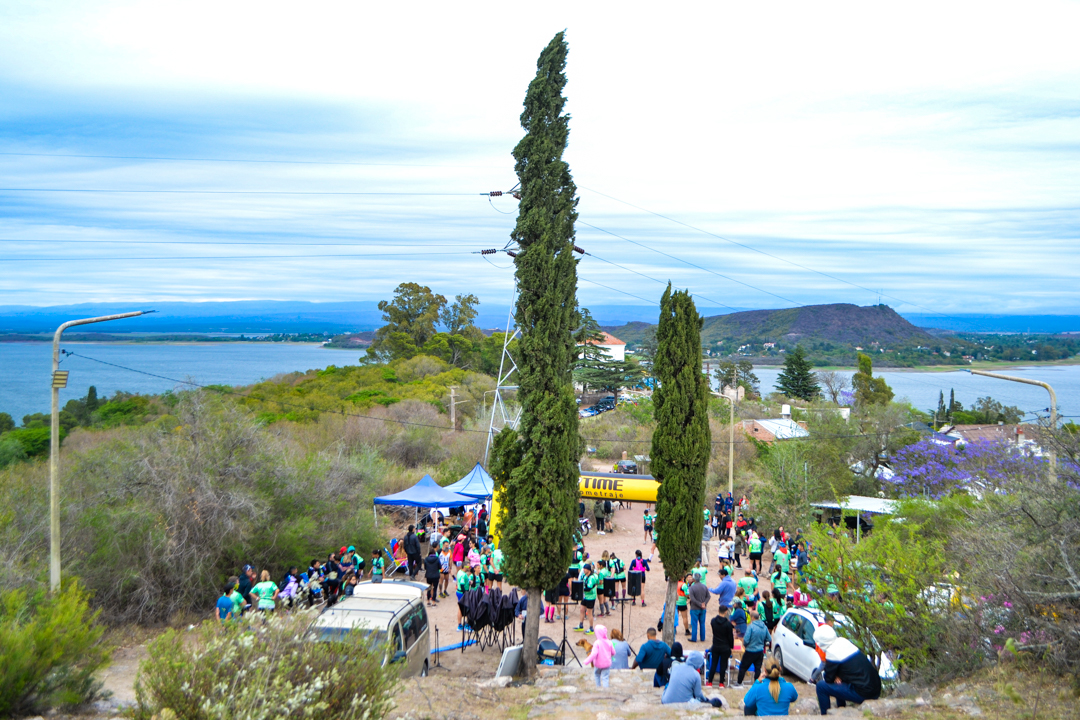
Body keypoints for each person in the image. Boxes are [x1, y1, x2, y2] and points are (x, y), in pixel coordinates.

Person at [813, 625, 882, 715]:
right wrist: (837, 676)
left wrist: (835, 676)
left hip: (864, 693)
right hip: (875, 688)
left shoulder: (831, 652)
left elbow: (828, 679)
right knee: (837, 679)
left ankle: (825, 716)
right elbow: (848, 668)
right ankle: (841, 708)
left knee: (821, 686)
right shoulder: (843, 641)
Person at [737, 609, 771, 685]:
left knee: (743, 667)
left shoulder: (751, 627)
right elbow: (769, 638)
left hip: (750, 651)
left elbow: (746, 640)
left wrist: (745, 645)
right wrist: (763, 642)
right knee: (757, 668)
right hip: (760, 651)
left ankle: (739, 682)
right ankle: (757, 683)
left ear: (752, 617)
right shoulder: (764, 627)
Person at [707, 605, 734, 688]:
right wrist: (731, 646)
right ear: (726, 612)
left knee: (714, 664)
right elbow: (730, 637)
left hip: (716, 645)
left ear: (718, 610)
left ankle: (710, 681)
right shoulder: (728, 624)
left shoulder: (713, 621)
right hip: (725, 646)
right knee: (723, 664)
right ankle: (721, 682)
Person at [687, 572, 711, 643]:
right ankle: (702, 638)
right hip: (703, 608)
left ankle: (694, 638)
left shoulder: (692, 588)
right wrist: (704, 603)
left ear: (694, 579)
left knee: (694, 624)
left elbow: (692, 599)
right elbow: (708, 596)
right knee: (702, 623)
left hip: (695, 608)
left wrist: (699, 604)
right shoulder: (704, 586)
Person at [576, 563, 598, 634]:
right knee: (582, 609)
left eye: (585, 569)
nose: (584, 570)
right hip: (585, 596)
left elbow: (589, 588)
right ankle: (581, 625)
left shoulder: (591, 578)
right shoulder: (584, 576)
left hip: (591, 597)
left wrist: (581, 589)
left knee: (589, 613)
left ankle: (591, 628)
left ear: (588, 570)